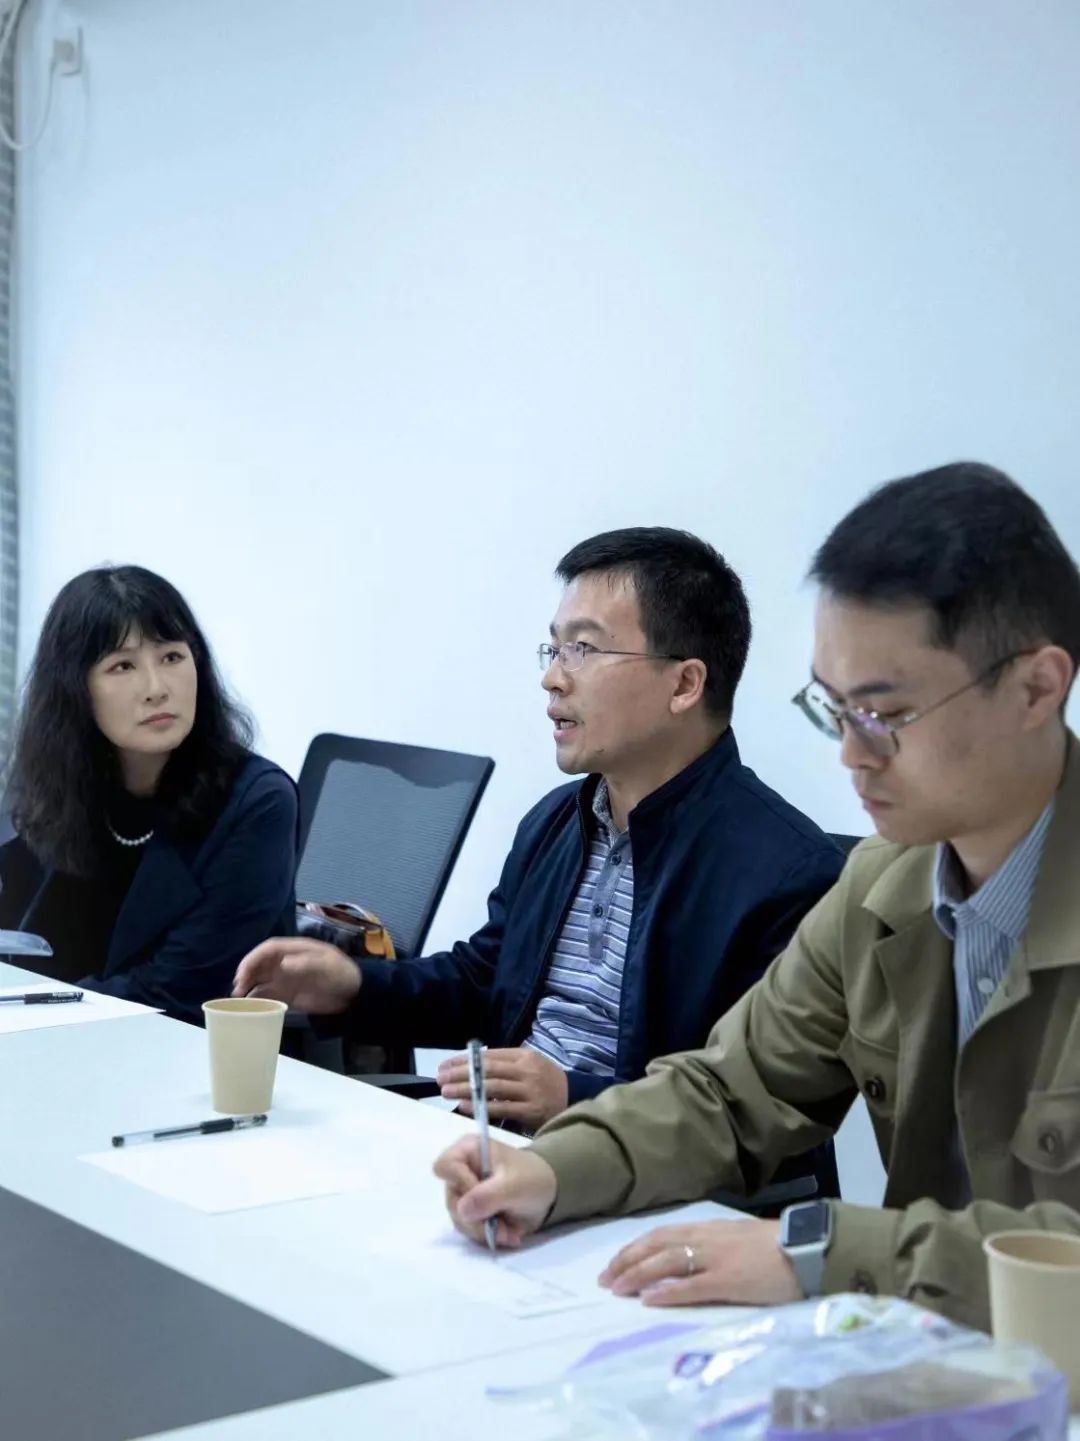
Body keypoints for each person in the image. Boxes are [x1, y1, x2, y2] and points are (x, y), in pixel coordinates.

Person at [433, 462, 1080, 1333]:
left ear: (1037, 687)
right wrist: (557, 1168)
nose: (851, 754)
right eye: (833, 708)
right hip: (933, 1355)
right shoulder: (882, 887)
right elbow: (728, 1091)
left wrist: (818, 1249)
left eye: (886, 712)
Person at [236, 528, 845, 1153]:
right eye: (553, 650)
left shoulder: (786, 873)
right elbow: (487, 983)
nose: (553, 679)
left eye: (583, 649)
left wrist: (573, 1098)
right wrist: (354, 985)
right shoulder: (558, 821)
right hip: (498, 1146)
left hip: (634, 1175)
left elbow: (754, 1108)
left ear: (685, 685)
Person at [0, 565, 298, 1024]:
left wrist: (28, 1016)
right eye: (122, 666)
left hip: (192, 1047)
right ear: (73, 688)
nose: (157, 689)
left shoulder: (257, 803)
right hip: (64, 1036)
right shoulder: (52, 786)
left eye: (172, 657)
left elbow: (181, 990)